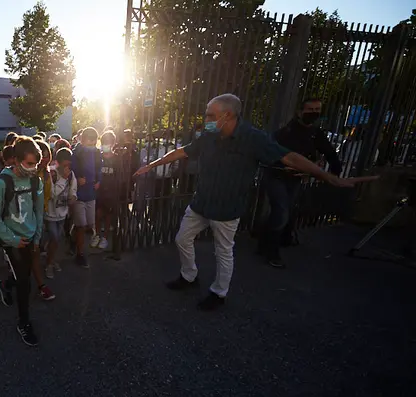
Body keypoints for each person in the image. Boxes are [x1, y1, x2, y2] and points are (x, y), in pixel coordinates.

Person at [133, 94, 355, 311]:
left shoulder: (253, 138)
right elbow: (184, 151)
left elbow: (290, 157)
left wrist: (326, 176)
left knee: (223, 251)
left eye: (210, 115)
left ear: (227, 115)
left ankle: (219, 293)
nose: (206, 119)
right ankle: (189, 276)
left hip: (227, 208)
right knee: (182, 238)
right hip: (201, 202)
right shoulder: (209, 135)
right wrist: (152, 165)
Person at [258, 97, 343, 269]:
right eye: (310, 110)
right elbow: (271, 153)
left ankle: (265, 242)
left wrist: (335, 172)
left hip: (295, 179)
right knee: (281, 211)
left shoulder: (316, 133)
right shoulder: (286, 132)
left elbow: (330, 153)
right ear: (299, 112)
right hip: (277, 176)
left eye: (317, 110)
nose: (314, 113)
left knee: (284, 210)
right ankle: (271, 251)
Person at [0, 136, 45, 346]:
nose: (33, 168)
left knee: (24, 275)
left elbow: (39, 211)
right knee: (24, 282)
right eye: (30, 163)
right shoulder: (2, 183)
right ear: (17, 159)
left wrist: (37, 238)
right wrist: (12, 239)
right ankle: (24, 322)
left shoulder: (35, 181)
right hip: (12, 239)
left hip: (30, 237)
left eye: (36, 164)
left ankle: (5, 284)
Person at [71, 127, 103, 268]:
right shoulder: (75, 154)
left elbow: (99, 168)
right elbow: (70, 170)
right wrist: (77, 179)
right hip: (79, 194)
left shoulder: (96, 153)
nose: (92, 146)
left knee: (89, 224)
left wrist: (99, 181)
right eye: (89, 143)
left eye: (94, 144)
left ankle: (72, 235)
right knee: (82, 225)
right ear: (82, 140)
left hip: (91, 192)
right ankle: (80, 254)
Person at [44, 147, 77, 278]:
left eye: (69, 164)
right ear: (58, 162)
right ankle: (48, 264)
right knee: (55, 238)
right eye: (65, 164)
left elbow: (73, 189)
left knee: (57, 240)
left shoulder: (71, 174)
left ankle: (51, 260)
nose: (67, 167)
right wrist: (63, 179)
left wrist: (73, 196)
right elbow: (52, 194)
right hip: (50, 214)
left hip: (63, 213)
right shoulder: (52, 174)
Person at [32, 140, 55, 300]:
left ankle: (39, 284)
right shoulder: (28, 174)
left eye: (47, 156)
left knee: (34, 251)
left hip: (40, 216)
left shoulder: (47, 173)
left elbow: (48, 195)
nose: (45, 159)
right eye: (42, 156)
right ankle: (40, 285)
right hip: (26, 219)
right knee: (31, 252)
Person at [93, 130, 121, 250]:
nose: (106, 144)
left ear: (113, 143)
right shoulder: (98, 157)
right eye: (104, 142)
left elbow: (120, 176)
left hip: (111, 192)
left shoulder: (117, 159)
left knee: (108, 214)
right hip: (98, 191)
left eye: (109, 142)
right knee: (97, 214)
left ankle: (105, 237)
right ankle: (97, 235)